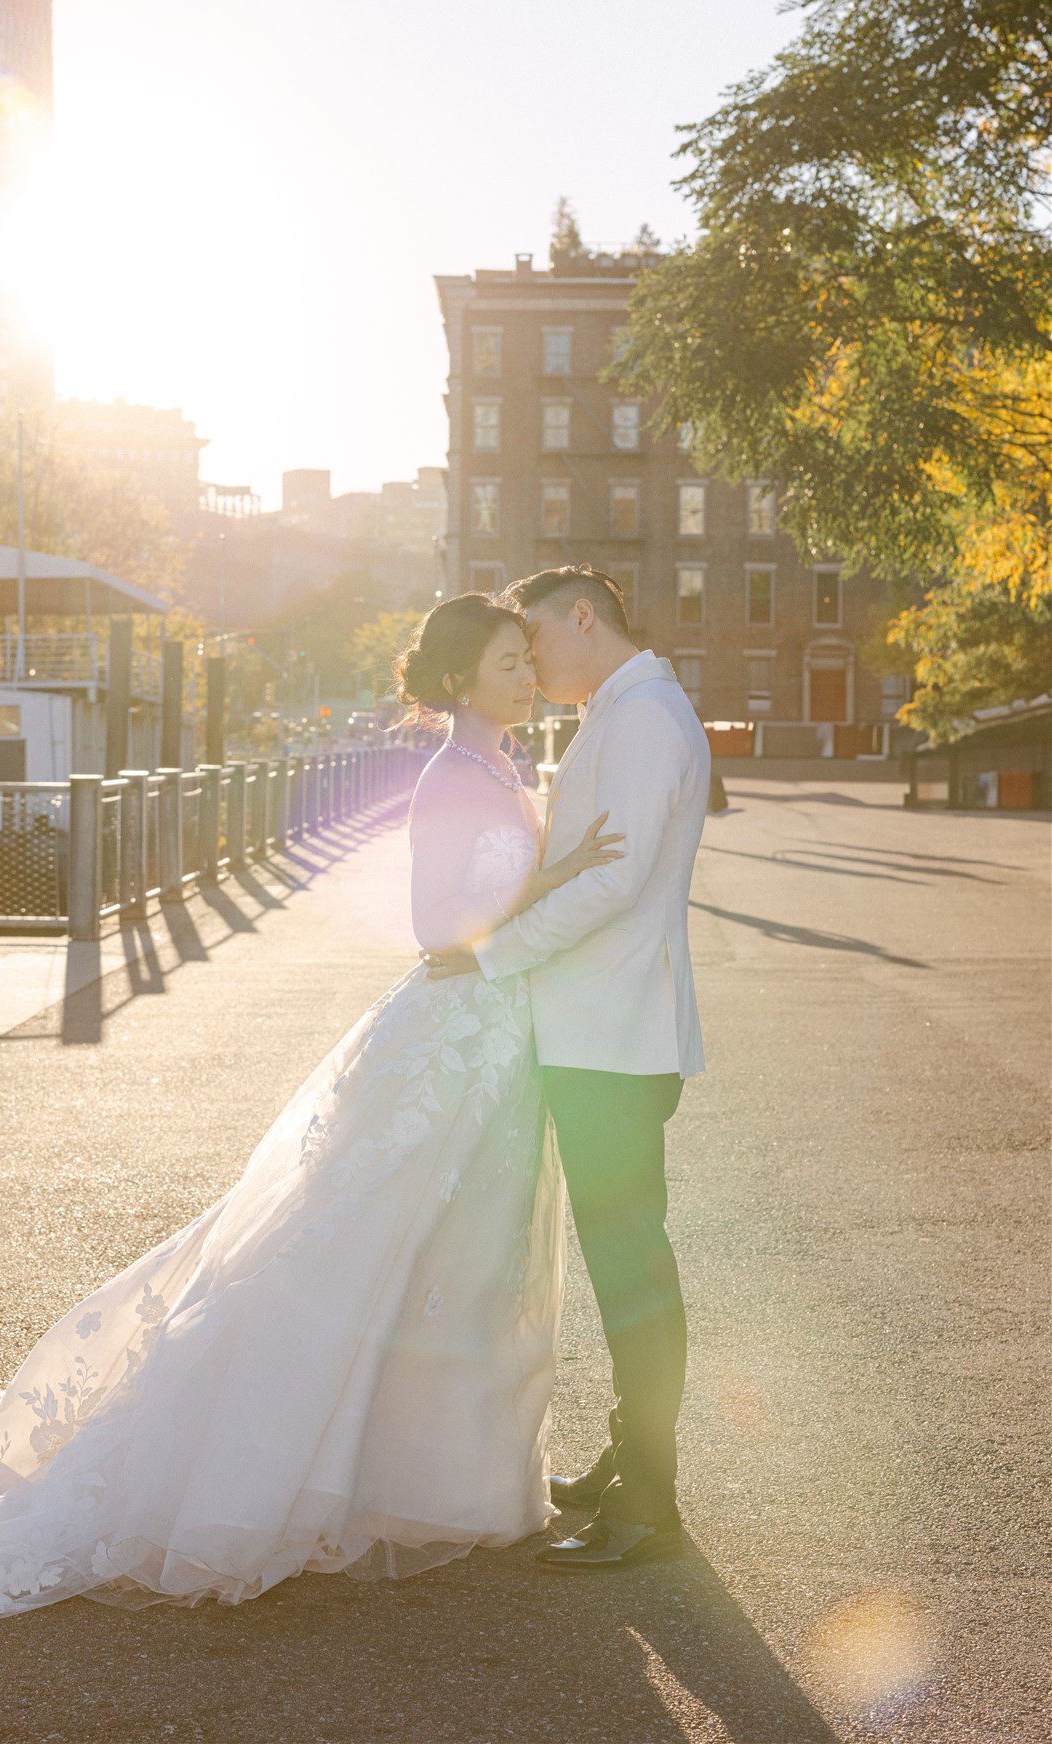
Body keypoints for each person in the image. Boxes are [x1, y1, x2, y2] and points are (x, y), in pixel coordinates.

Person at [0, 593, 623, 1637]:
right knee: (350, 1255)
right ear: (459, 681)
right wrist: (556, 877)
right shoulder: (448, 776)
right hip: (448, 1043)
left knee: (462, 1265)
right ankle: (256, 1475)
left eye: (530, 659)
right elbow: (438, 928)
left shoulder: (503, 767)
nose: (528, 677)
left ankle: (446, 1482)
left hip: (494, 1044)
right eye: (509, 663)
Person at [425, 565, 709, 1571]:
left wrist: (491, 954)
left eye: (537, 637)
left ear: (582, 615)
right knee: (624, 1264)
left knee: (633, 1269)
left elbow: (619, 879)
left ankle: (650, 1500)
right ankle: (630, 1463)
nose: (531, 658)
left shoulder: (641, 718)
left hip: (613, 1038)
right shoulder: (627, 708)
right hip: (602, 1029)